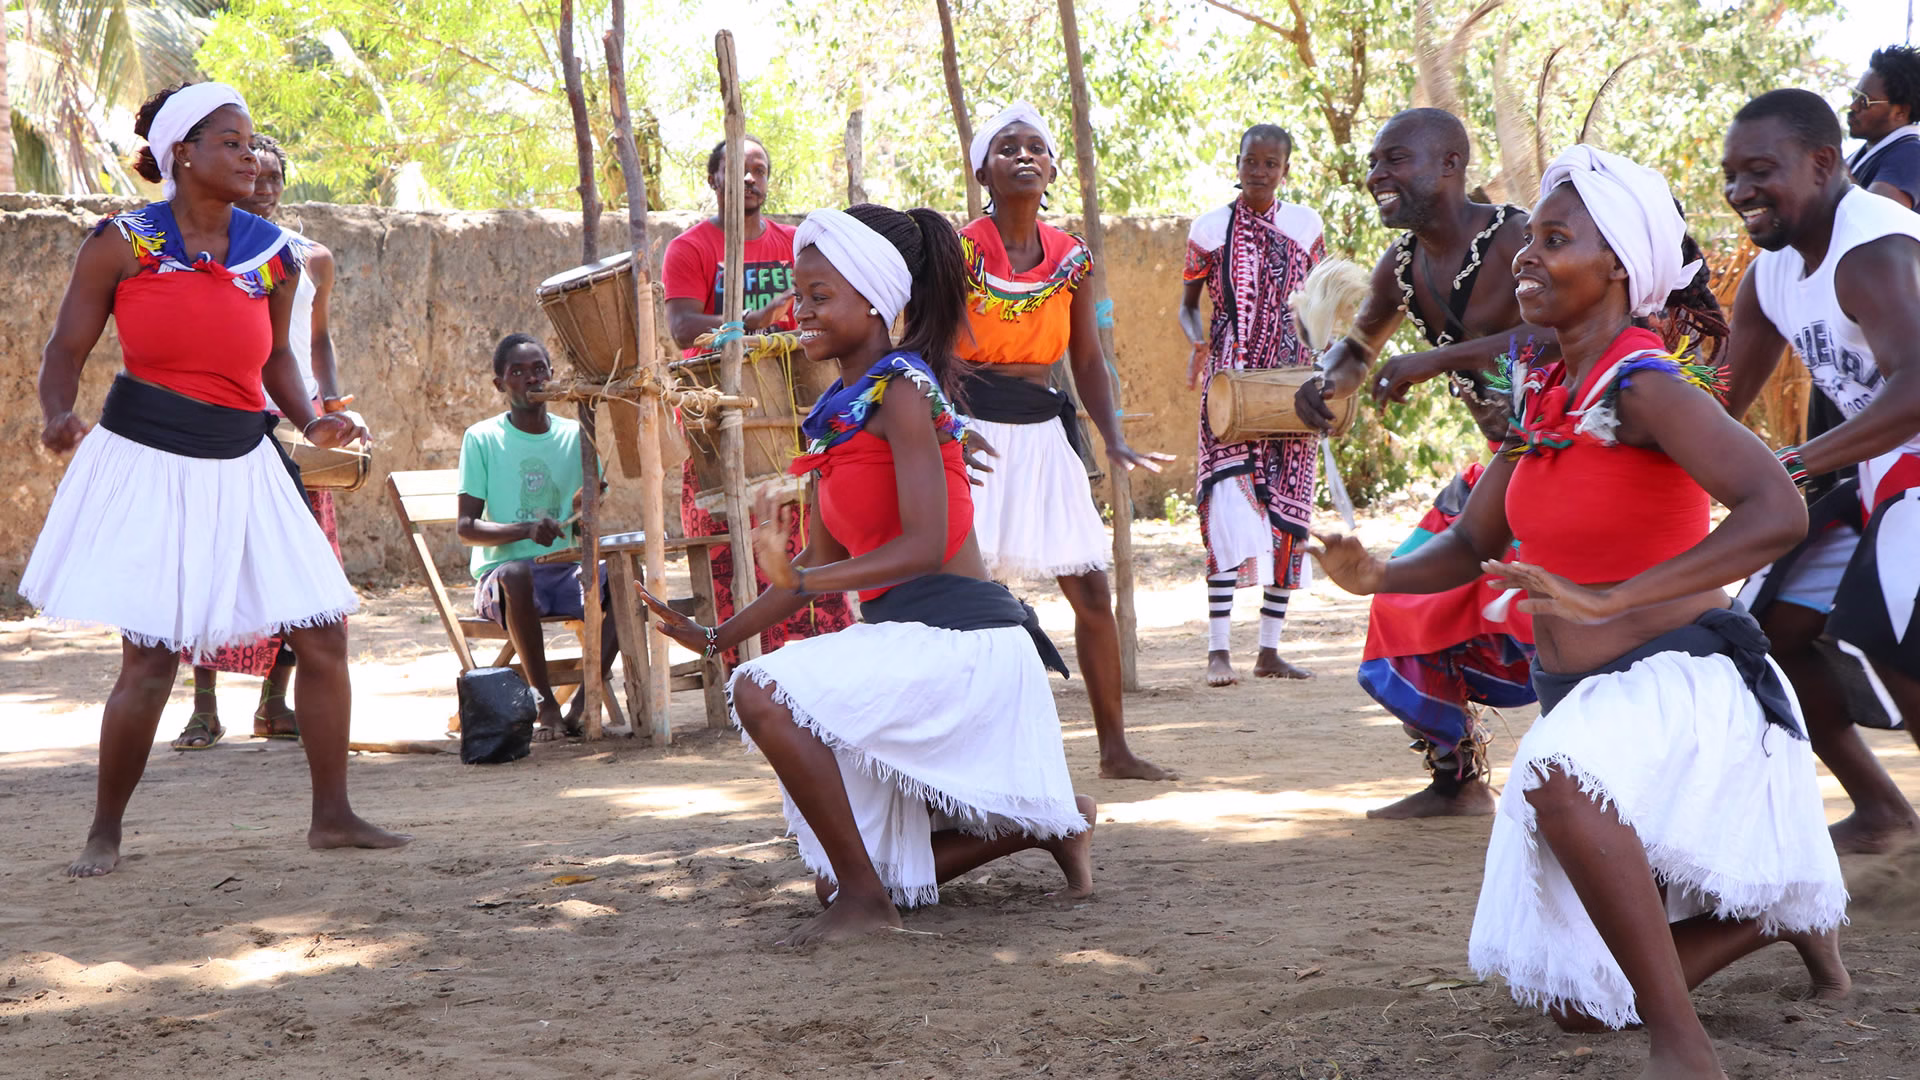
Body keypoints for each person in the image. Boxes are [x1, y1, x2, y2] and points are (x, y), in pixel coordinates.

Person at [1311, 146, 1846, 1079]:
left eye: (1553, 241)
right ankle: (1772, 913)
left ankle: (1685, 1046)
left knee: (1557, 777)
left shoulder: (1647, 385)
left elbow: (1778, 508)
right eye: (1529, 242)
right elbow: (1469, 546)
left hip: (1680, 687)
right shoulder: (1545, 394)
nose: (1525, 256)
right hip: (1587, 699)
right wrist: (1375, 578)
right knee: (1576, 1013)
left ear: (1618, 270)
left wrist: (1614, 595)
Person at [638, 203, 1095, 945]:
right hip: (908, 640)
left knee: (764, 693)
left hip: (963, 644)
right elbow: (811, 566)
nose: (801, 313)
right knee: (826, 875)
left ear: (877, 303)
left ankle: (869, 903)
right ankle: (1053, 824)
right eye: (799, 295)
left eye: (821, 297)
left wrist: (811, 583)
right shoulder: (840, 409)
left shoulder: (907, 391)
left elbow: (925, 545)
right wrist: (717, 634)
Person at [22, 81, 408, 875]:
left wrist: (314, 421)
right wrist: (59, 414)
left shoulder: (274, 254)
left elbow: (274, 361)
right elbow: (65, 351)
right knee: (152, 658)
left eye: (253, 142)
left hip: (246, 458)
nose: (250, 154)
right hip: (149, 458)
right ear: (182, 154)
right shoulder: (122, 243)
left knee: (324, 633)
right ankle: (105, 830)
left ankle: (332, 815)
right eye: (231, 141)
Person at [1292, 108, 1544, 817]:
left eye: (1395, 160)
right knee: (1402, 599)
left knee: (1570, 626)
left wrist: (1437, 359)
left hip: (1565, 459)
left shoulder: (1516, 239)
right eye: (1375, 162)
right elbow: (1361, 345)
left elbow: (1556, 336)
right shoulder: (1402, 265)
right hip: (1501, 466)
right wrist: (1329, 381)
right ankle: (1457, 779)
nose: (1377, 175)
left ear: (1450, 166)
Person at [1722, 88, 1920, 855]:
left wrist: (1797, 462)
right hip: (1884, 472)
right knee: (1769, 628)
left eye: (1760, 170)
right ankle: (1880, 811)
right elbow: (1721, 398)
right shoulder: (1771, 277)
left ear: (1824, 163)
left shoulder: (1873, 248)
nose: (1741, 191)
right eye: (1731, 175)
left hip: (1905, 463)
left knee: (1883, 629)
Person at [957, 102, 1174, 781]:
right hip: (975, 430)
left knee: (1090, 594)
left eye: (1035, 147)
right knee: (971, 594)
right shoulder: (961, 251)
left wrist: (1110, 435)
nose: (1024, 155)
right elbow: (929, 348)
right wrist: (945, 427)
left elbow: (1084, 360)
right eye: (1006, 147)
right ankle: (969, 748)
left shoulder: (1070, 258)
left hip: (1046, 431)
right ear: (983, 172)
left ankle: (1114, 750)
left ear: (1050, 168)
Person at [169, 132, 352, 750]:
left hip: (294, 424)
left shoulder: (311, 258)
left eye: (275, 178)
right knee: (211, 565)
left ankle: (275, 704)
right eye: (256, 175)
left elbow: (315, 342)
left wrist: (328, 404)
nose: (265, 189)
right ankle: (203, 706)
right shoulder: (207, 256)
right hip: (226, 423)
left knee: (296, 566)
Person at [661, 136, 856, 659]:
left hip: (796, 415)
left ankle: (824, 649)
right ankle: (742, 661)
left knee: (810, 532)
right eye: (738, 169)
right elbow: (681, 328)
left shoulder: (797, 244)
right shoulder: (691, 248)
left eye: (759, 169)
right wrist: (747, 322)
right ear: (713, 179)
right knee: (734, 542)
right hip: (724, 419)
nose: (750, 179)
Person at [1177, 123, 1325, 686]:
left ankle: (1268, 649)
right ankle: (1218, 649)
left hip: (1291, 381)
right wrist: (1197, 338)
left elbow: (1317, 301)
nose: (1258, 172)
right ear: (1236, 163)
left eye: (1270, 164)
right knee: (1229, 510)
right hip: (1232, 382)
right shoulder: (1210, 229)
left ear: (1285, 169)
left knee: (1289, 514)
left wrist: (1324, 361)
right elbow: (1189, 305)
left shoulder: (1305, 226)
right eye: (1250, 162)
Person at [456, 333, 617, 741]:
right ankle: (545, 702)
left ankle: (584, 700)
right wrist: (526, 530)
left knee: (623, 578)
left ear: (553, 376)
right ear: (499, 384)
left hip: (566, 572)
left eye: (539, 369)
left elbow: (587, 515)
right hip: (505, 582)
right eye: (517, 372)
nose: (531, 378)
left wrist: (589, 505)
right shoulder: (482, 438)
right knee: (516, 573)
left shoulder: (576, 435)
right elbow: (467, 528)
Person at [1845, 46, 1920, 209]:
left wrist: (1835, 172)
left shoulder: (1911, 154)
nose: (1853, 106)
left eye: (1864, 101)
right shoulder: (1864, 153)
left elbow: (1878, 216)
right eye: (1854, 96)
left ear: (1900, 112)